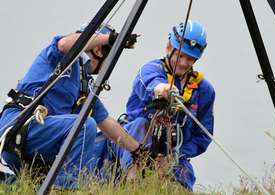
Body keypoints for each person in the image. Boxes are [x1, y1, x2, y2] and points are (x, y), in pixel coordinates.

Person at [0, 21, 157, 189]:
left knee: (89, 135)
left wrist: (139, 151)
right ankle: (66, 189)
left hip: (36, 142)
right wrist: (110, 39)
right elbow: (64, 44)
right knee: (84, 125)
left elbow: (105, 122)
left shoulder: (84, 86)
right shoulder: (65, 58)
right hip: (22, 129)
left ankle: (10, 183)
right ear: (98, 50)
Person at [111, 20, 215, 191]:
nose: (183, 63)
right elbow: (153, 84)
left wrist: (174, 157)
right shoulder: (150, 69)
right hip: (132, 146)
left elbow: (202, 137)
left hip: (171, 154)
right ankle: (132, 186)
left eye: (189, 58)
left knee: (183, 178)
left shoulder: (204, 91)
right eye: (180, 55)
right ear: (168, 48)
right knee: (140, 125)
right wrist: (166, 90)